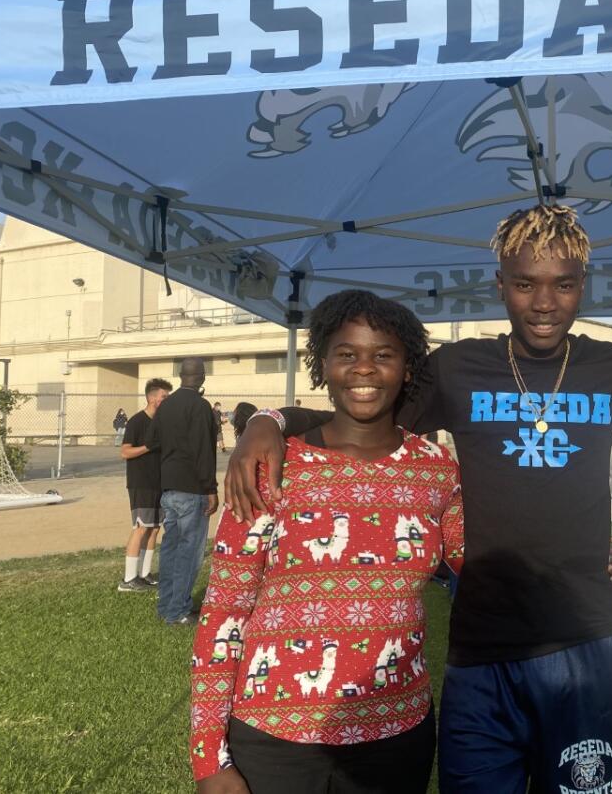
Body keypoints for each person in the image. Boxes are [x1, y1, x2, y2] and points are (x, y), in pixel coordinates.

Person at [227, 203, 612, 793]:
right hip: (480, 649)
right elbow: (365, 411)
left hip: (586, 642)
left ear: (582, 287)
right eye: (524, 284)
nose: (544, 303)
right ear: (500, 285)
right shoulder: (459, 367)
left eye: (562, 285)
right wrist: (269, 420)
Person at [190, 290, 464, 794]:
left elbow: (477, 561)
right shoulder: (272, 466)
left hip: (396, 732)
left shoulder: (436, 469)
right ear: (323, 365)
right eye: (346, 354)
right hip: (275, 734)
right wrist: (210, 757)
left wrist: (572, 558)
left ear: (407, 369)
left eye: (383, 355)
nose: (364, 369)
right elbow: (225, 609)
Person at [148, 357, 218, 625]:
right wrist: (210, 488)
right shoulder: (199, 406)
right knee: (190, 551)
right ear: (201, 377)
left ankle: (167, 605)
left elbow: (152, 441)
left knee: (170, 549)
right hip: (193, 487)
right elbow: (203, 450)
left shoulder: (166, 406)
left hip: (170, 488)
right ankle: (178, 610)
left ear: (180, 375)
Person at [117, 378, 172, 592]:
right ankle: (129, 579)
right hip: (142, 482)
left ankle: (145, 573)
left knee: (155, 528)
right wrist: (148, 447)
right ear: (152, 398)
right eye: (164, 397)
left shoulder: (163, 423)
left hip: (159, 482)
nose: (166, 401)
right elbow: (125, 452)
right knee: (141, 527)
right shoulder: (137, 422)